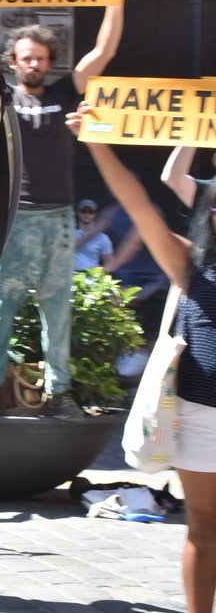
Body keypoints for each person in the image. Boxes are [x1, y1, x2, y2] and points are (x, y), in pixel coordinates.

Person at [0, 0, 132, 420]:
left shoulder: (65, 89)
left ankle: (60, 394)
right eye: (26, 57)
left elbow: (104, 51)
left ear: (50, 60)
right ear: (13, 61)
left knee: (57, 312)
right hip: (13, 217)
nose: (34, 64)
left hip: (58, 219)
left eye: (41, 57)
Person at [69, 102, 216, 613]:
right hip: (202, 416)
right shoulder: (190, 265)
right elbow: (137, 203)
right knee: (203, 530)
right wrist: (96, 142)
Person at [74, 198, 114, 272]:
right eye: (83, 211)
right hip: (72, 275)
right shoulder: (70, 235)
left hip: (92, 276)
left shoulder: (103, 238)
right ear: (78, 213)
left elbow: (110, 264)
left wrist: (97, 275)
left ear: (95, 214)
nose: (87, 214)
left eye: (90, 212)